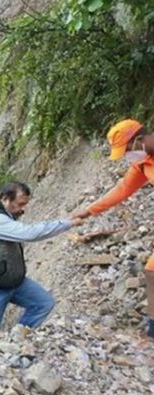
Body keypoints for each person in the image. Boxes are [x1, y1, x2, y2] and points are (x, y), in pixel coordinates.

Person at [0, 181, 83, 347]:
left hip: (10, 280)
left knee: (43, 303)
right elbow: (29, 233)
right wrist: (67, 223)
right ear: (5, 199)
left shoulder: (5, 213)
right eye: (20, 204)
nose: (22, 209)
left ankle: (17, 342)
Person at [72, 119, 154, 339]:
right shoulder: (143, 163)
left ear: (138, 140)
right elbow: (122, 189)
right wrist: (88, 211)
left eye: (127, 150)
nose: (127, 156)